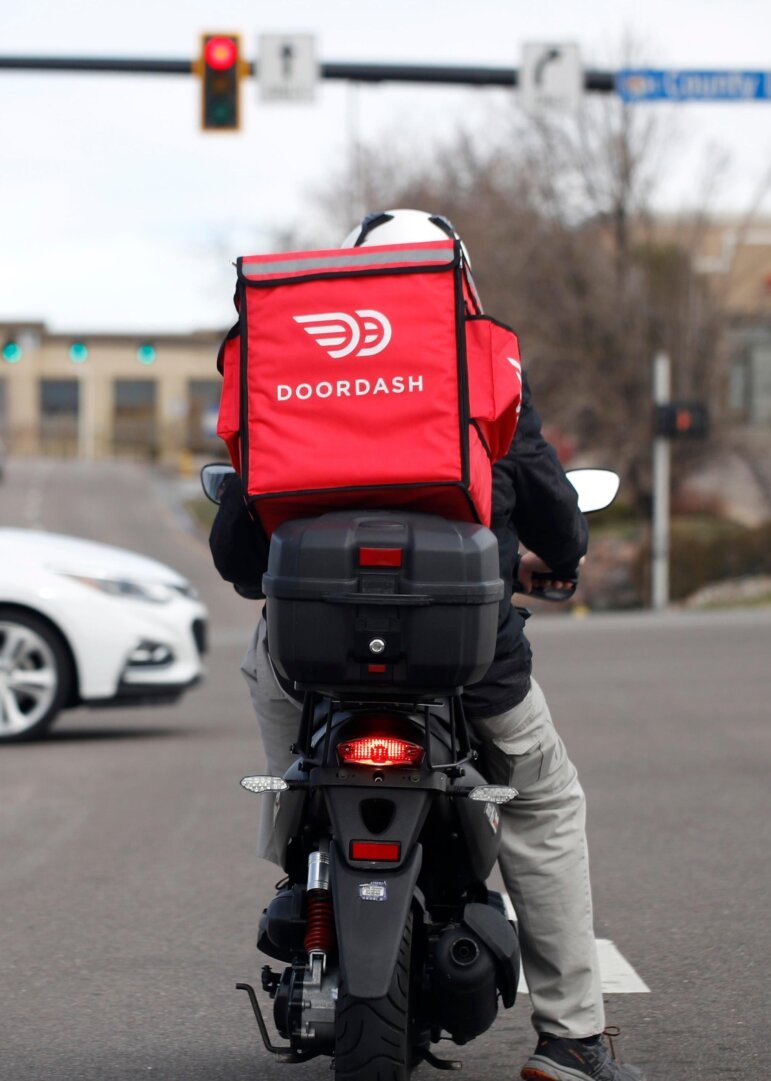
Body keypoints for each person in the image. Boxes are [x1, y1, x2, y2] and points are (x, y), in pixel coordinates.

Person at [214, 210, 646, 1081]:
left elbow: (237, 557)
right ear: (455, 278)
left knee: (288, 734)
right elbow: (558, 516)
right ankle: (572, 1037)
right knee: (543, 803)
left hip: (309, 653)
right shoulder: (473, 358)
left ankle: (300, 857)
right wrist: (554, 558)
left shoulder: (292, 359)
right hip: (468, 653)